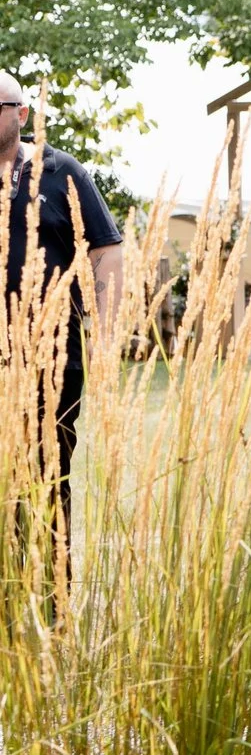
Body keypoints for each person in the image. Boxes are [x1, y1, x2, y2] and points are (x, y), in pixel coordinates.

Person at [0, 72, 122, 534]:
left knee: (48, 485)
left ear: (21, 114)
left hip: (53, 361)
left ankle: (53, 600)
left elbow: (106, 251)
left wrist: (105, 337)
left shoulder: (60, 170)